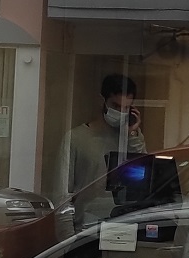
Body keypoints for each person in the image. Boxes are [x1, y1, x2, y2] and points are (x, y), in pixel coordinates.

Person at [58, 72, 146, 224]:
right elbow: (62, 195)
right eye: (116, 106)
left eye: (126, 108)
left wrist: (132, 134)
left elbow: (144, 177)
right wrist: (68, 235)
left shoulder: (131, 138)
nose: (121, 112)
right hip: (86, 226)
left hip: (123, 225)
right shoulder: (76, 138)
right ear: (103, 101)